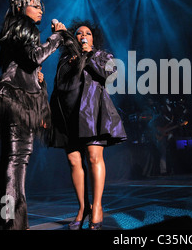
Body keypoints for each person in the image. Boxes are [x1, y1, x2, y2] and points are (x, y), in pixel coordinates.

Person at [0, 0, 66, 230]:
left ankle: (9, 222)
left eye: (40, 4)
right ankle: (11, 224)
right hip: (16, 100)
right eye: (35, 4)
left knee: (15, 161)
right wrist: (58, 37)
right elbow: (33, 56)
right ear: (22, 6)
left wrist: (36, 77)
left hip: (17, 98)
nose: (41, 8)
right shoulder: (24, 26)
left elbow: (25, 63)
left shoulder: (17, 28)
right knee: (15, 161)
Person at [49, 19, 126, 230]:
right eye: (79, 33)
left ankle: (98, 207)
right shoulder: (66, 59)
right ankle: (84, 208)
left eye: (88, 33)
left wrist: (89, 54)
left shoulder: (102, 55)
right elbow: (58, 89)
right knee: (74, 161)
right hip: (67, 115)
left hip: (92, 112)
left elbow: (109, 75)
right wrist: (49, 114)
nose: (83, 35)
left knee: (93, 158)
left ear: (93, 38)